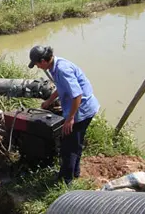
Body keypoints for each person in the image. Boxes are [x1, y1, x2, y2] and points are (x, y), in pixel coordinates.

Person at [28, 45, 100, 185]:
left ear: (43, 60)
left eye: (36, 63)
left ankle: (65, 181)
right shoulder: (55, 65)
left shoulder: (62, 69)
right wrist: (49, 101)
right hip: (83, 108)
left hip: (82, 110)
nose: (37, 66)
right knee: (76, 143)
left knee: (68, 147)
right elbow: (61, 87)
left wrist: (70, 118)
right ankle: (75, 172)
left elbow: (77, 95)